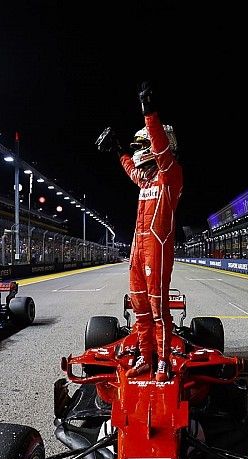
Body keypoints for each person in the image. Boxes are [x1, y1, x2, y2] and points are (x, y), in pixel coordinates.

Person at [96, 81, 183, 382]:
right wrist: (119, 148)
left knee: (158, 309)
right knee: (140, 308)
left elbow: (159, 148)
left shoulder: (170, 176)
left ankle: (164, 361)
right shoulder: (146, 181)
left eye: (140, 146)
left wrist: (149, 113)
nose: (138, 152)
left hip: (158, 248)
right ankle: (146, 357)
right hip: (137, 249)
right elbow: (128, 168)